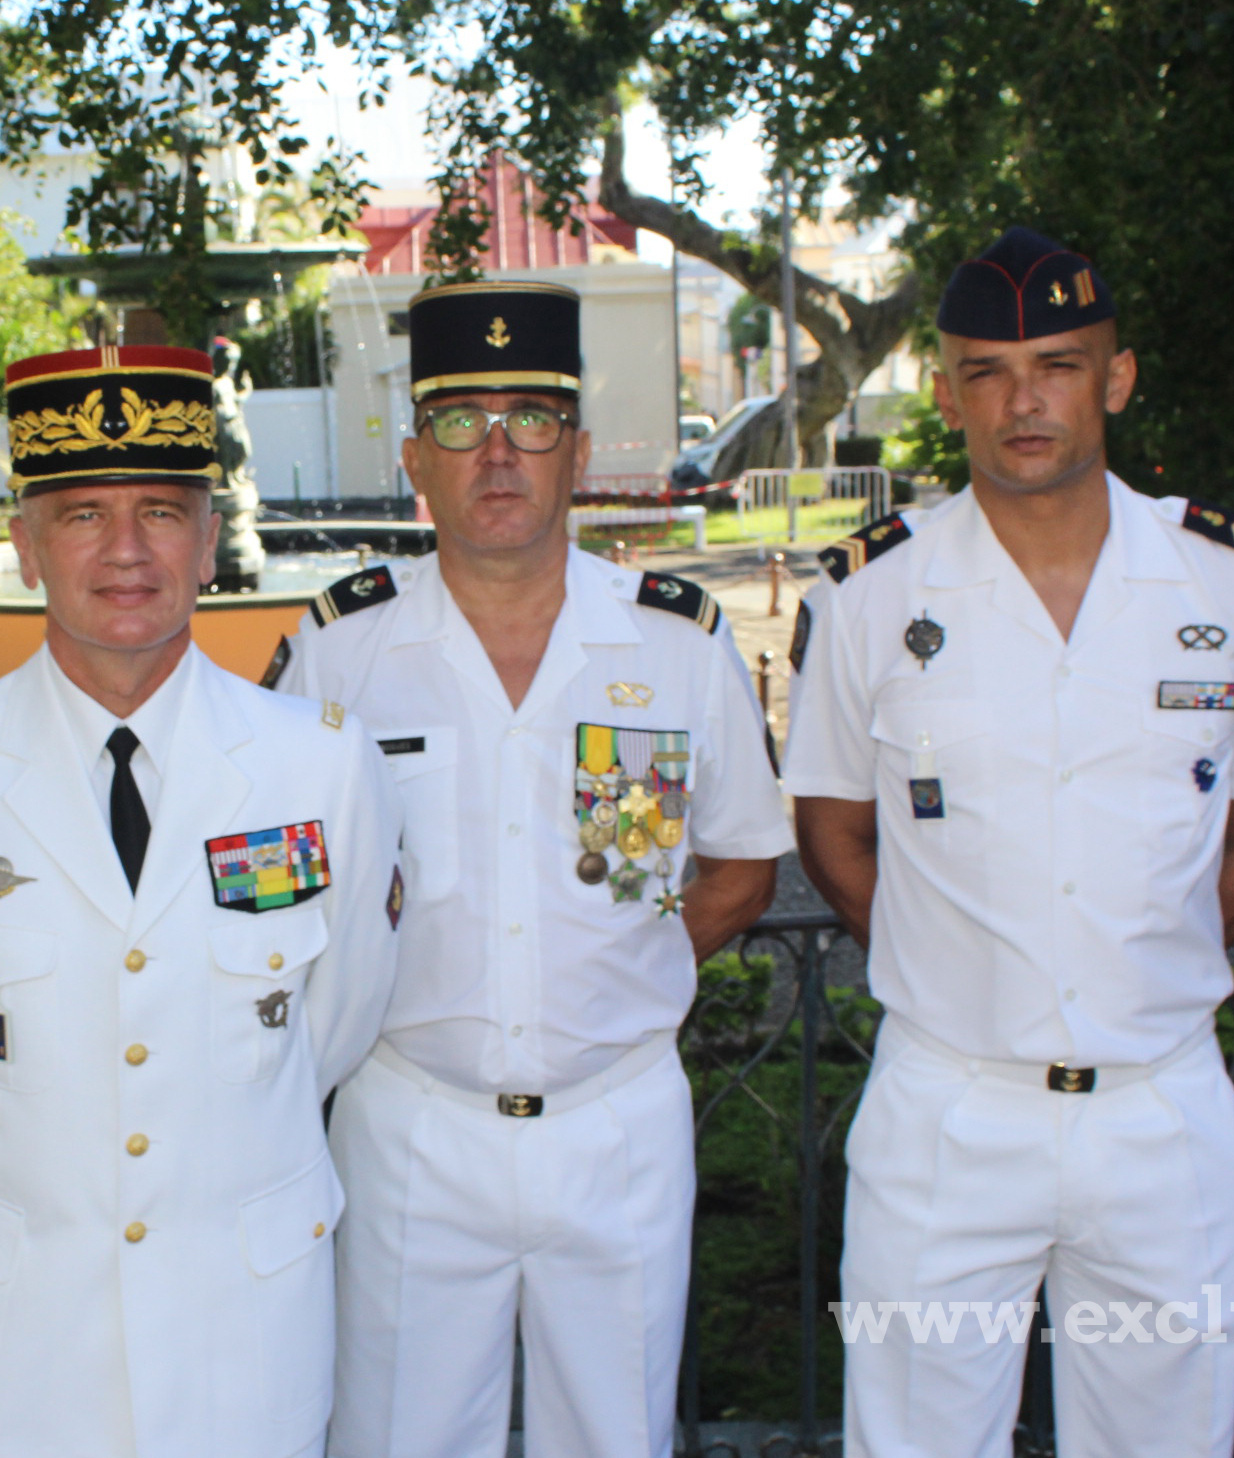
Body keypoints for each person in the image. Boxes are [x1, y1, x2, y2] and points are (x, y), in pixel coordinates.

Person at [781, 228, 1234, 1457]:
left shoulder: (1232, 586)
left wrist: (1135, 961)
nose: (1022, 400)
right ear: (945, 393)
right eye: (986, 370)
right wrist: (965, 962)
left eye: (1058, 365)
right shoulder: (873, 595)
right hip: (948, 1108)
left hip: (1161, 1108)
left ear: (1118, 378)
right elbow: (831, 831)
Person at [0, 344, 404, 1458]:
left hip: (243, 1316)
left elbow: (333, 1027)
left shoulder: (319, 764)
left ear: (208, 536)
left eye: (161, 512)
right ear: (26, 543)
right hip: (10, 1329)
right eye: (84, 514)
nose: (128, 551)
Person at [272, 281, 792, 1458]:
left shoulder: (675, 644)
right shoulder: (341, 653)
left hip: (617, 1127)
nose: (497, 453)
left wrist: (615, 965)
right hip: (411, 1128)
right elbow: (281, 881)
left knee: (616, 1436)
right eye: (461, 424)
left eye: (532, 420)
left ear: (581, 452)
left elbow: (743, 865)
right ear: (415, 455)